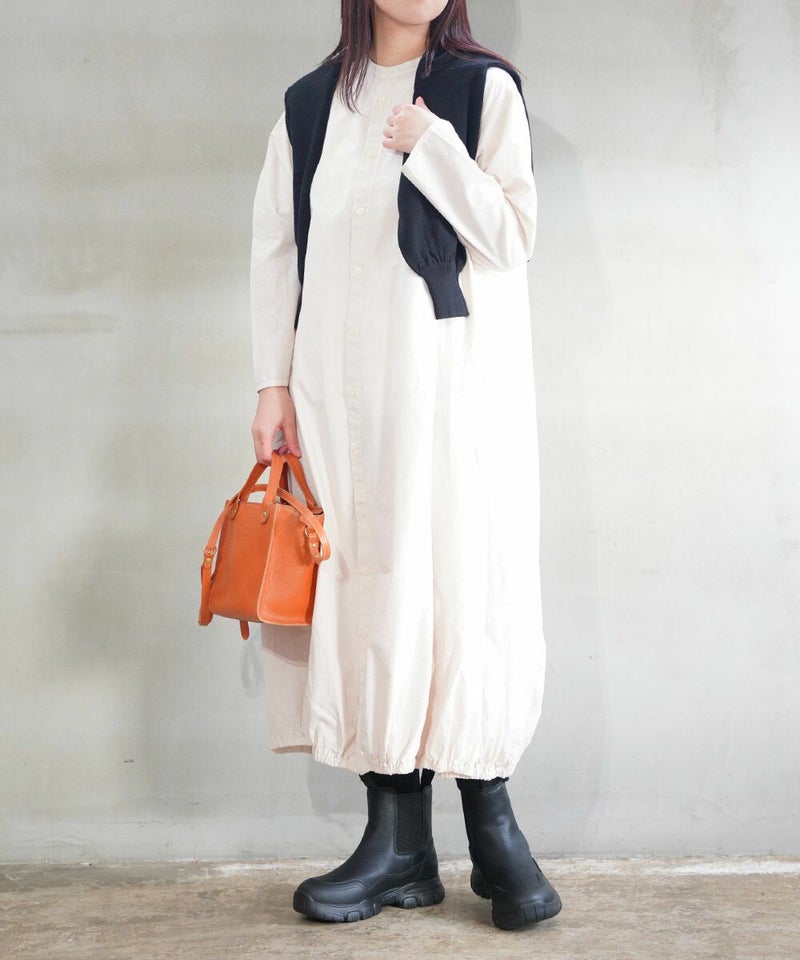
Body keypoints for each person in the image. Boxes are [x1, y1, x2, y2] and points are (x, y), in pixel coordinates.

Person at [249, 0, 561, 930]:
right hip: (337, 400)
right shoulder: (311, 105)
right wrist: (271, 386)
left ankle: (493, 824)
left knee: (464, 582)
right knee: (368, 587)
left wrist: (434, 146)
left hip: (452, 391)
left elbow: (511, 236)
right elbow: (277, 249)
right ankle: (398, 845)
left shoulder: (480, 89)